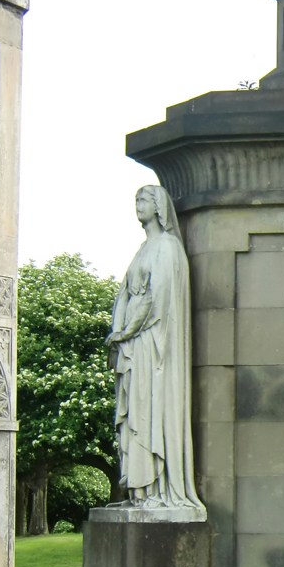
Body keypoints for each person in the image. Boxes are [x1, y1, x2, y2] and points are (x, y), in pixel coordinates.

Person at [107, 185, 205, 511]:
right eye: (135, 199)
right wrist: (118, 332)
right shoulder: (143, 249)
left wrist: (125, 332)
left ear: (159, 206)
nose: (138, 204)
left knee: (148, 413)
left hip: (153, 345)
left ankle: (155, 489)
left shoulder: (167, 247)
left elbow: (156, 300)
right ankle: (137, 491)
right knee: (135, 414)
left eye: (144, 199)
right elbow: (124, 295)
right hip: (135, 346)